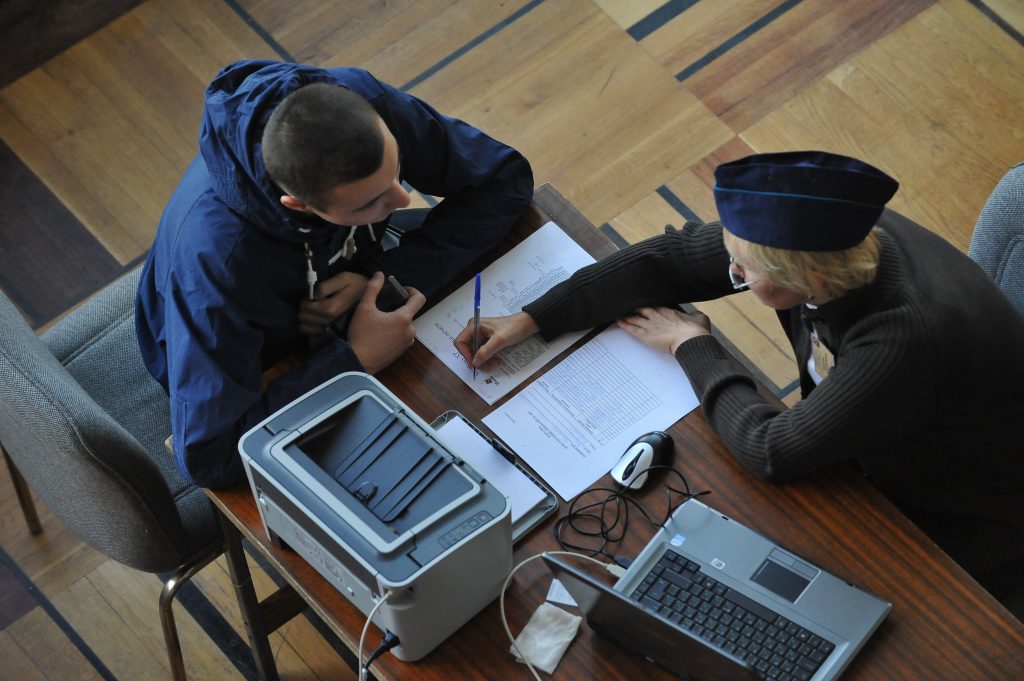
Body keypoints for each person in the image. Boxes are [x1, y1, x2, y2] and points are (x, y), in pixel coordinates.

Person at [456, 151, 1024, 608]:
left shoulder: (899, 337)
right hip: (877, 431)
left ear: (807, 278)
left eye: (743, 272)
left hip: (960, 504)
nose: (731, 273)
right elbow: (672, 259)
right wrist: (536, 317)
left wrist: (692, 344)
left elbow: (771, 448)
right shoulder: (828, 234)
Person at [137, 60, 533, 488]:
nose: (403, 199)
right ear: (300, 206)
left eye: (398, 170)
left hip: (337, 293)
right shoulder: (218, 268)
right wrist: (355, 362)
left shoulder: (356, 101)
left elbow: (504, 179)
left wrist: (383, 279)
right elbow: (209, 457)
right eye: (370, 204)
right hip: (246, 356)